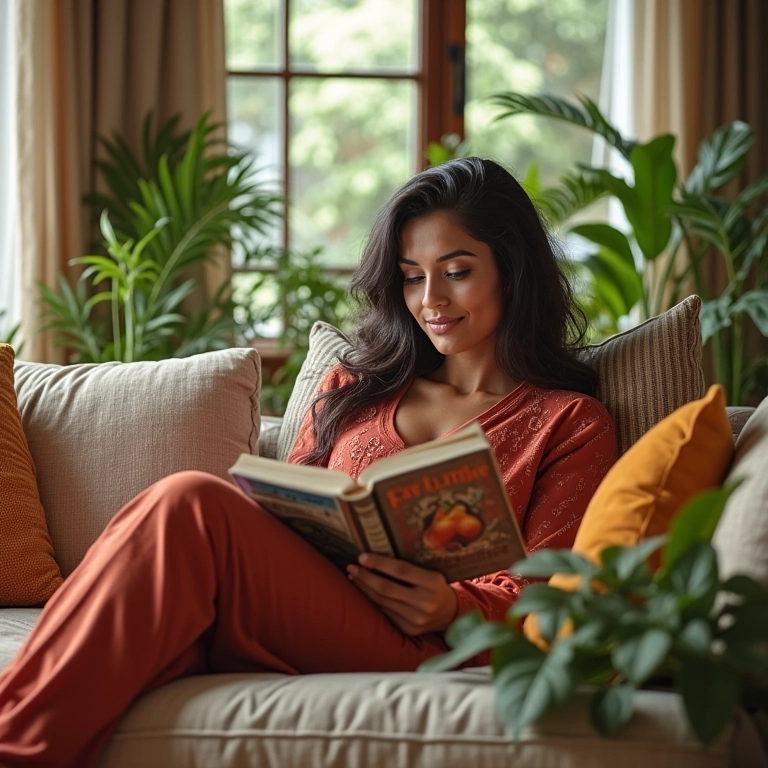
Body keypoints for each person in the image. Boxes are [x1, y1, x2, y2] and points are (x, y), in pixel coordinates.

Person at [0, 157, 617, 766]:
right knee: (160, 579)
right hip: (308, 607)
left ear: (512, 272)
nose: (430, 299)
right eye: (410, 276)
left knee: (187, 503)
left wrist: (452, 605)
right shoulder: (358, 384)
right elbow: (284, 504)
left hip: (432, 640)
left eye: (456, 271)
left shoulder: (567, 421)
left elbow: (556, 593)